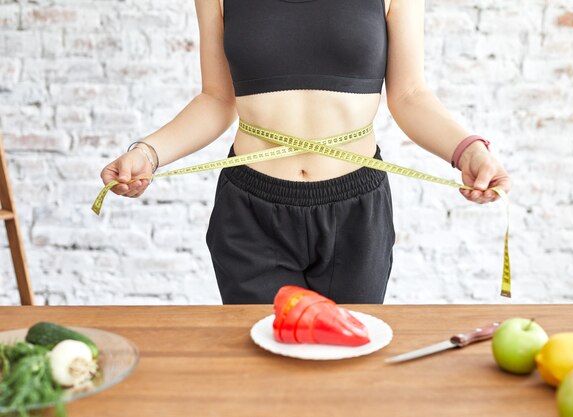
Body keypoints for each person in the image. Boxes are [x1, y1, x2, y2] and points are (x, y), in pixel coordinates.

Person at [99, 0, 512, 305]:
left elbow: (409, 95)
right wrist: (148, 153)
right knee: (263, 374)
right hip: (250, 213)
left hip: (356, 213)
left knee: (346, 373)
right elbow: (215, 99)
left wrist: (468, 150)